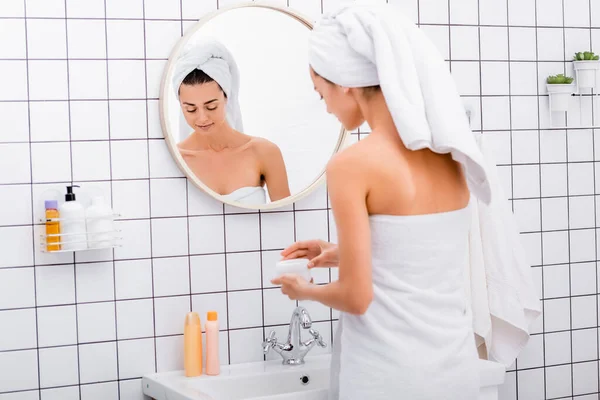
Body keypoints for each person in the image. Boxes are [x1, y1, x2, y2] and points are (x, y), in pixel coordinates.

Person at [271, 4, 494, 399]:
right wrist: (339, 253)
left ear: (346, 85)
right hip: (456, 371)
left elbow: (356, 298)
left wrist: (304, 290)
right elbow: (418, 253)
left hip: (388, 376)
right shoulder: (451, 155)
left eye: (321, 92)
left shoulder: (352, 165)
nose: (325, 106)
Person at [172, 39, 291, 204]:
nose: (202, 118)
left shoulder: (264, 152)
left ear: (227, 97)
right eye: (190, 109)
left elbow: (286, 217)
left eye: (211, 106)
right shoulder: (176, 160)